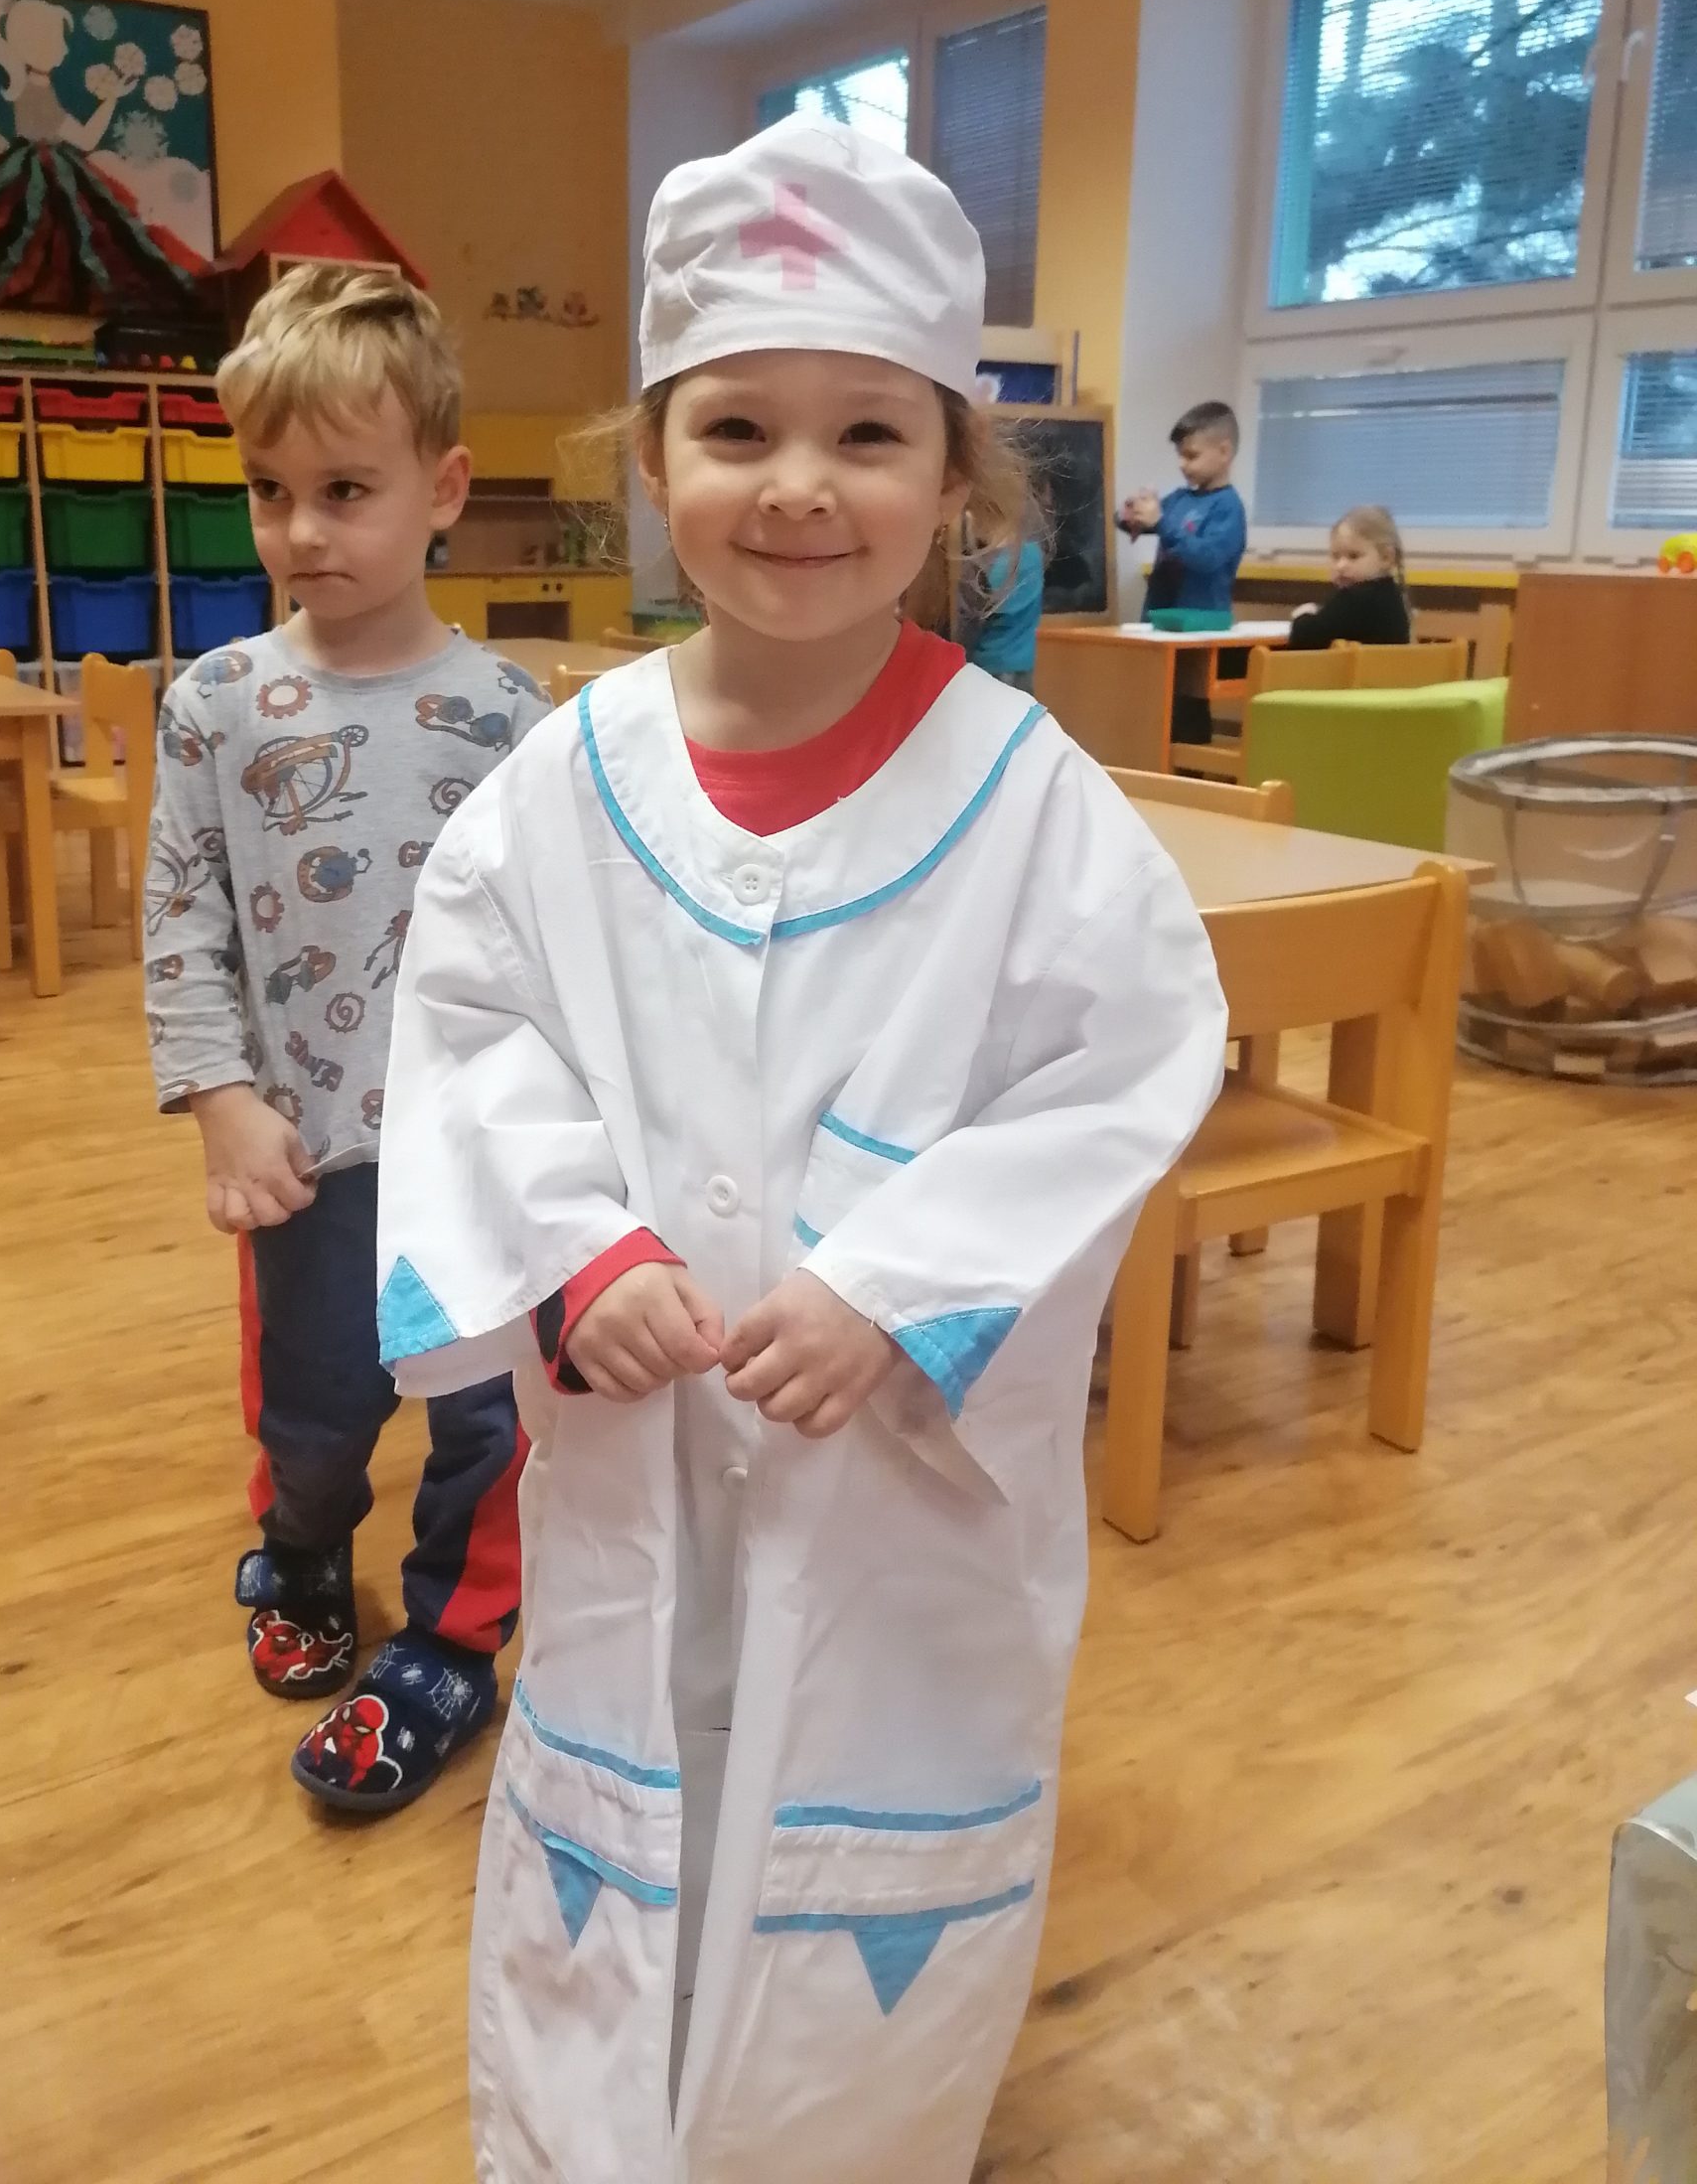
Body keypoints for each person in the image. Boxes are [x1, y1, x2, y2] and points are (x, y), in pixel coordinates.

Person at [373, 119, 1228, 2180]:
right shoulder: (561, 785)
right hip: (639, 1448)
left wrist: (897, 1286)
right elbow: (473, 1033)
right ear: (652, 463)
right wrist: (576, 1252)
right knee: (632, 1819)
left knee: (853, 1907)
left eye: (868, 433)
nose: (800, 485)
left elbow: (1128, 1059)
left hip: (891, 1501)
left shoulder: (1031, 800)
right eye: (738, 426)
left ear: (956, 482)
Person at [142, 262, 546, 1818]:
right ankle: (305, 1548)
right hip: (306, 1154)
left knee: (486, 1417)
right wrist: (218, 1097)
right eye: (270, 491)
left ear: (444, 489)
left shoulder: (511, 715)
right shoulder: (215, 705)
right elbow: (183, 916)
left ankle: (453, 1632)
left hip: (479, 1157)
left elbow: (551, 936)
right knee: (314, 1413)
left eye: (346, 490)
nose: (302, 530)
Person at [1116, 400, 1247, 621]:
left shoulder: (1228, 507)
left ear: (1224, 452)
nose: (1181, 464)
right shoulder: (1178, 499)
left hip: (1201, 627)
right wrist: (1130, 515)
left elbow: (1206, 558)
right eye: (1179, 455)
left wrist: (1159, 522)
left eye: (1191, 455)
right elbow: (1145, 522)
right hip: (1157, 621)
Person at [1287, 504, 1412, 650]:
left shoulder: (1353, 599)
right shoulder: (1394, 597)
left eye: (1353, 556)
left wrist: (1302, 617)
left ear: (1386, 557)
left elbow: (1306, 638)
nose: (1341, 566)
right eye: (1336, 556)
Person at [958, 516, 1045, 691]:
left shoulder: (1015, 559)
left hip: (995, 661)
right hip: (1019, 659)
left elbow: (992, 607)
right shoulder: (1031, 555)